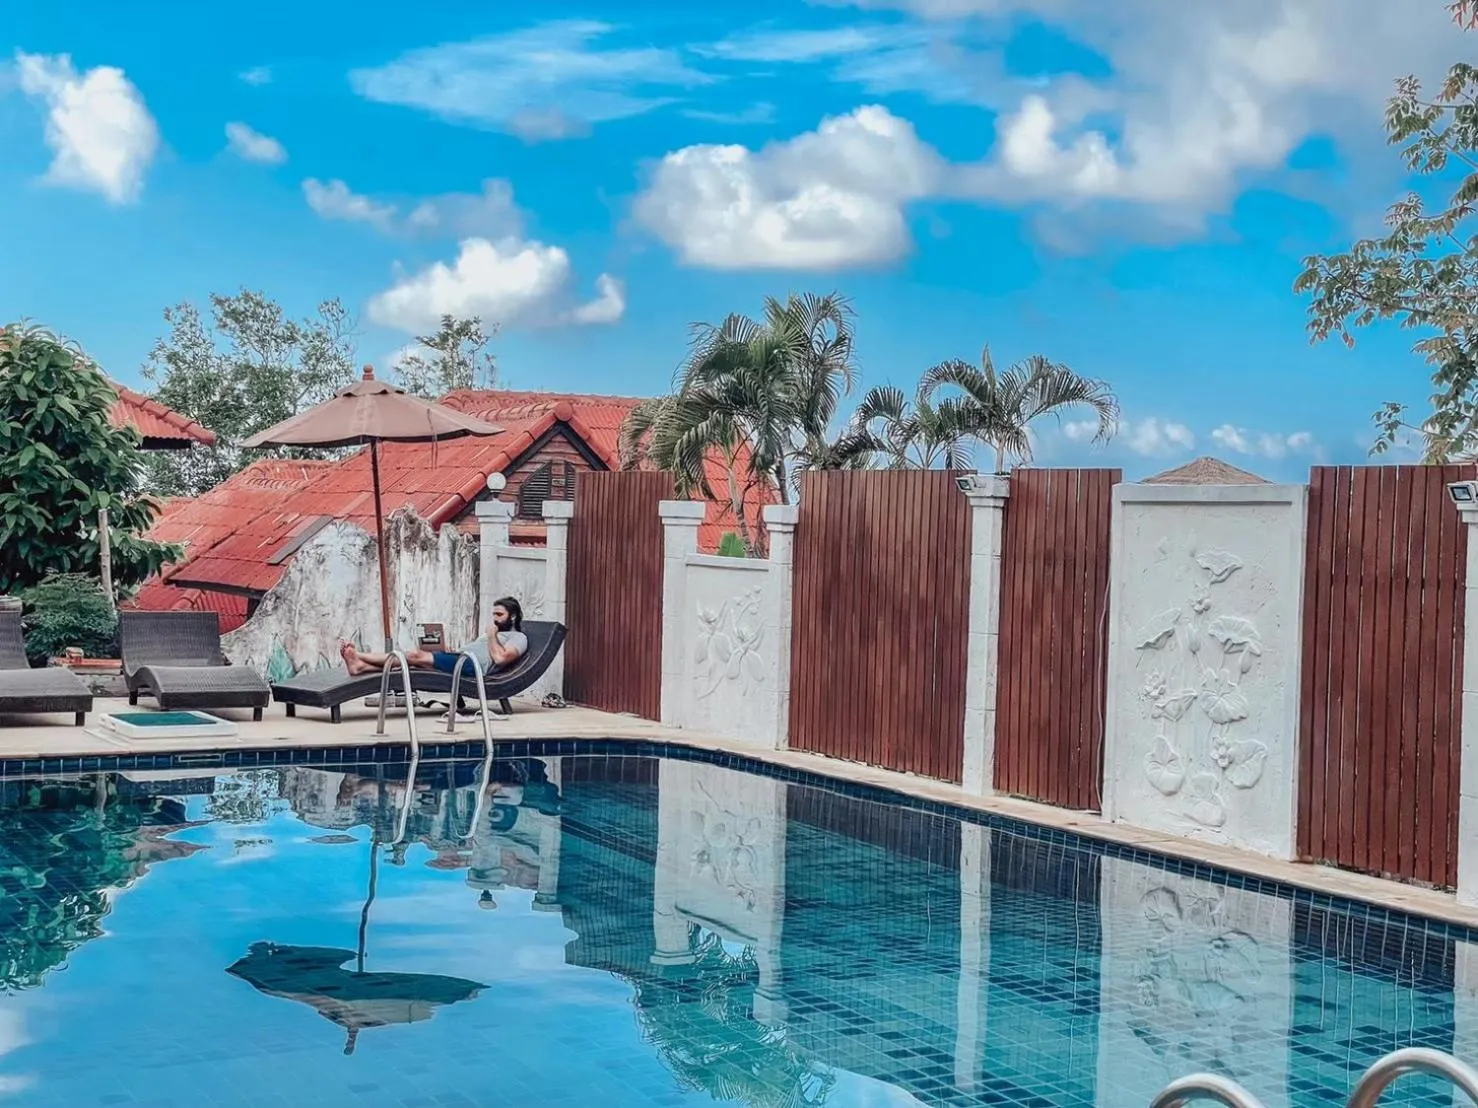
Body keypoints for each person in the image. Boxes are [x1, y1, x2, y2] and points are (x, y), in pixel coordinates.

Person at [339, 597, 528, 722]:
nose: (495, 619)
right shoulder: (491, 634)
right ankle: (361, 667)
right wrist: (451, 651)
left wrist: (492, 635)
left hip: (472, 666)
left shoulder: (518, 638)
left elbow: (500, 658)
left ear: (512, 617)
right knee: (411, 667)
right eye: (494, 614)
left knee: (413, 655)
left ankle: (358, 656)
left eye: (499, 615)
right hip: (460, 659)